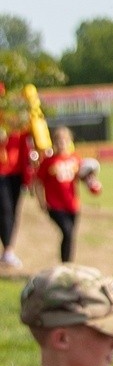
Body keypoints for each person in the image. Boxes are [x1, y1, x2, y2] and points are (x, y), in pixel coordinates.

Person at [35, 126, 102, 264]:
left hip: (72, 204)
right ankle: (65, 264)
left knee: (71, 235)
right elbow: (38, 182)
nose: (62, 144)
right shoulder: (48, 161)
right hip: (55, 205)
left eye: (64, 140)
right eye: (59, 141)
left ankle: (69, 263)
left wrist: (93, 183)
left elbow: (83, 177)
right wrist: (41, 201)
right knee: (67, 231)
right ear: (54, 142)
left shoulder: (75, 159)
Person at [0, 107, 29, 269]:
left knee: (12, 211)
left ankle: (8, 251)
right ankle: (7, 251)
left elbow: (25, 147)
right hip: (1, 172)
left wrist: (27, 176)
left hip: (16, 174)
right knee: (4, 210)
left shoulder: (20, 121)